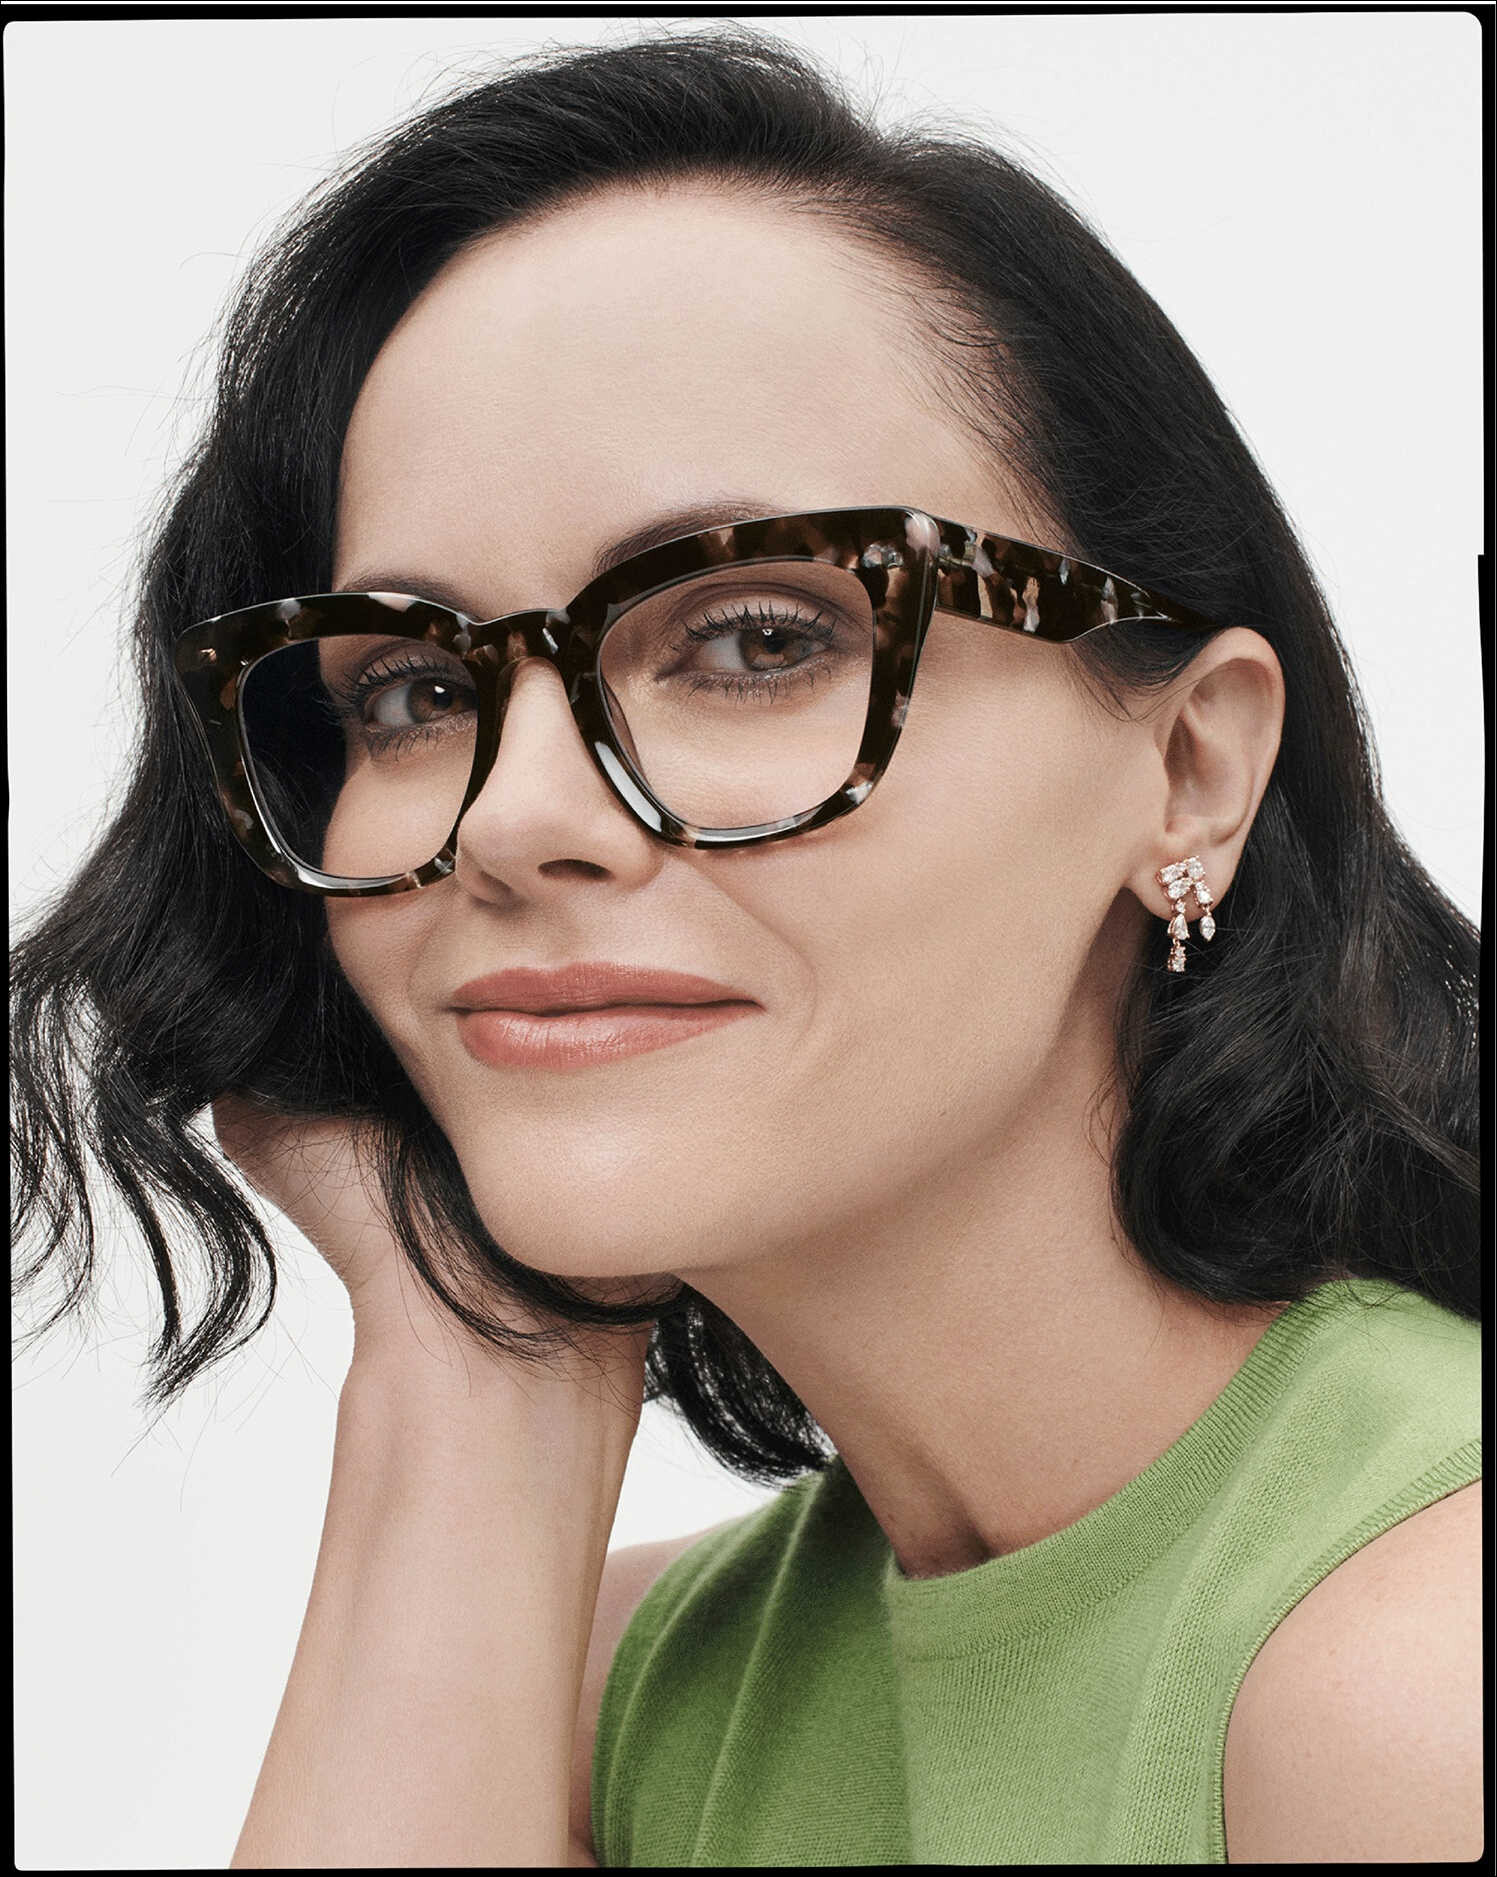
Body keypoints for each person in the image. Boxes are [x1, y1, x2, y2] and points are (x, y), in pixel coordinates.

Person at [9, 27, 1480, 1868]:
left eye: (757, 638)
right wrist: (472, 1377)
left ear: (1189, 768)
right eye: (409, 688)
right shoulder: (599, 1695)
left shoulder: (1419, 1672)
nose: (513, 814)